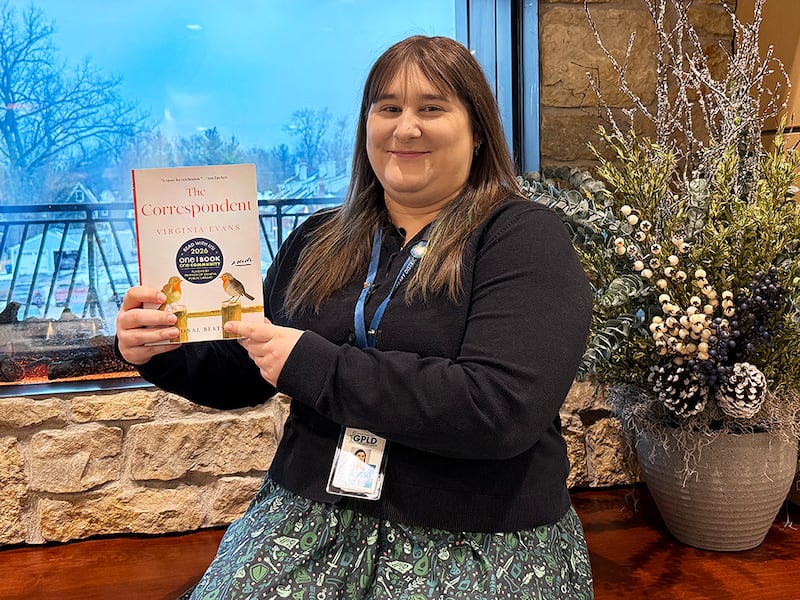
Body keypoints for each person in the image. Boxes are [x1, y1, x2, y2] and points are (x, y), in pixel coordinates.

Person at [116, 35, 594, 599]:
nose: (405, 127)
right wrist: (162, 349)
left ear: (479, 131)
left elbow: (500, 409)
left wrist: (315, 365)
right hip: (308, 519)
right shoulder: (318, 239)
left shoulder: (522, 238)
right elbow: (246, 370)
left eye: (432, 107)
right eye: (388, 108)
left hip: (479, 536)